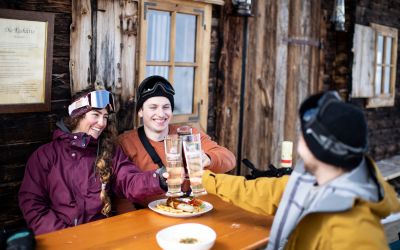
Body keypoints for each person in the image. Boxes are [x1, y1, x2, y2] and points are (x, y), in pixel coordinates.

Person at [200, 91, 400, 249]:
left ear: (316, 146)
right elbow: (262, 192)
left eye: (303, 133)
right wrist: (207, 179)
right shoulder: (316, 181)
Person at [18, 87, 168, 235]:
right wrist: (62, 237)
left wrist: (159, 179)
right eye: (95, 114)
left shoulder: (110, 151)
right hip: (59, 239)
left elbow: (128, 180)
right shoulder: (45, 155)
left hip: (100, 236)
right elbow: (32, 204)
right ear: (77, 115)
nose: (102, 123)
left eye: (105, 117)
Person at [117, 75, 235, 208]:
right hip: (148, 216)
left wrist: (208, 158)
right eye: (153, 107)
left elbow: (229, 159)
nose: (161, 114)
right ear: (140, 111)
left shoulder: (188, 133)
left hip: (191, 209)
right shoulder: (125, 143)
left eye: (166, 107)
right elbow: (121, 192)